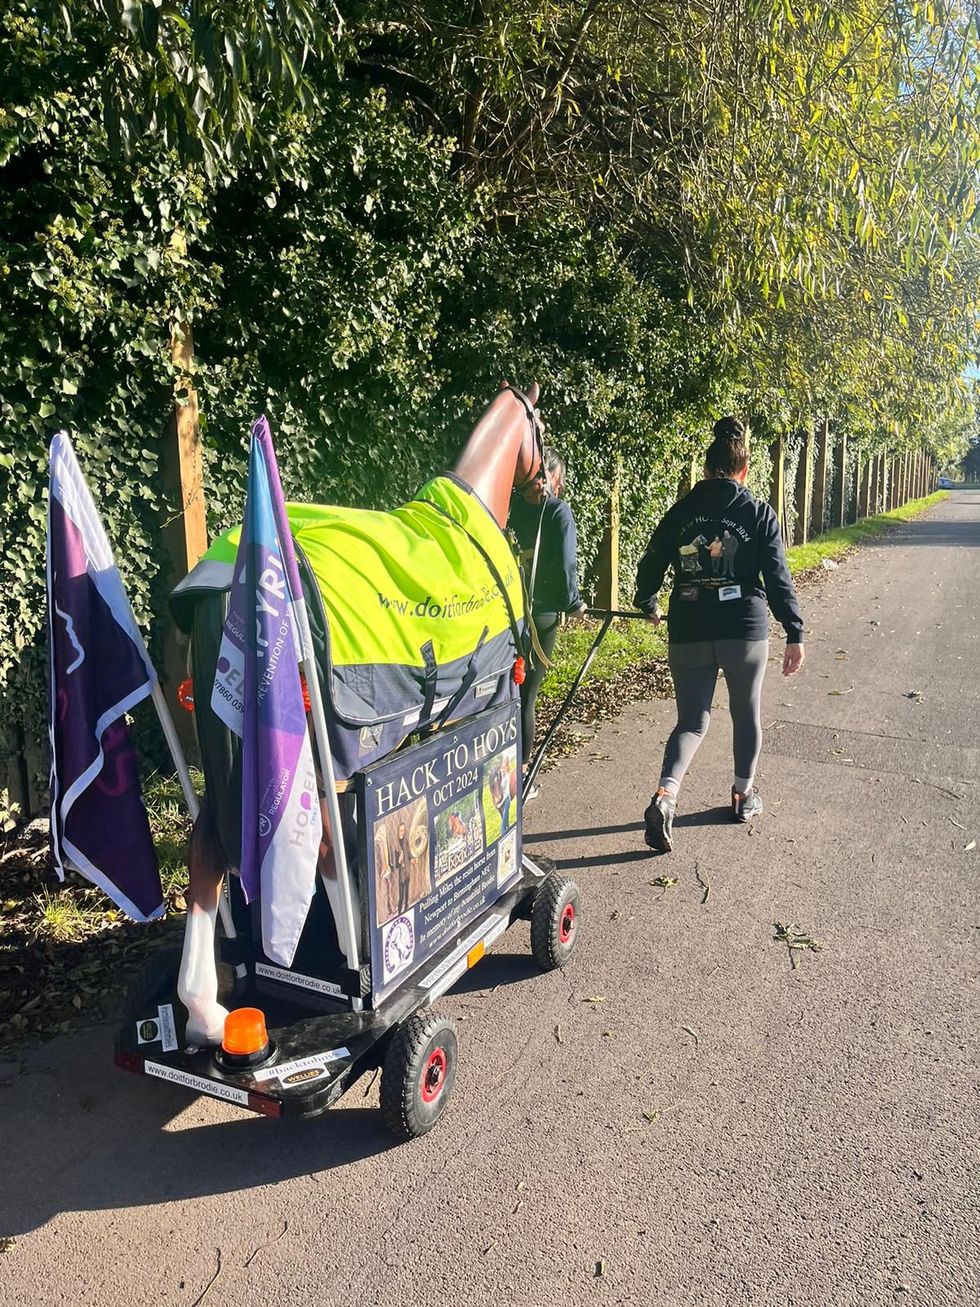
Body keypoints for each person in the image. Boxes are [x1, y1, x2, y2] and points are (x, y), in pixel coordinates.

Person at [633, 416, 805, 851]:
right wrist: (794, 630)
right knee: (744, 713)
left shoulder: (682, 510)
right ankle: (742, 796)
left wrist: (647, 601)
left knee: (691, 721)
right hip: (743, 629)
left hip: (689, 627)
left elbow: (651, 562)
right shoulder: (758, 512)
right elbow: (778, 577)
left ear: (706, 470)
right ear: (744, 470)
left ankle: (665, 795)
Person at [510, 446, 587, 794]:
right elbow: (567, 565)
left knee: (506, 690)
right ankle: (521, 774)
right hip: (540, 617)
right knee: (528, 693)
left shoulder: (510, 508)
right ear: (554, 477)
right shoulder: (557, 512)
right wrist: (574, 603)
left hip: (507, 610)